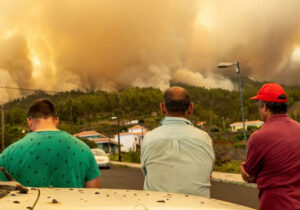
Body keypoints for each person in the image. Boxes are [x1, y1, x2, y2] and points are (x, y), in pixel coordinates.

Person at [0, 99, 100, 188]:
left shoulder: (8, 154)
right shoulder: (83, 149)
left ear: (29, 121)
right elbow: (94, 195)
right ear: (56, 120)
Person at [141, 86, 215, 197]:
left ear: (162, 108)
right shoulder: (204, 138)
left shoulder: (149, 138)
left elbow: (147, 172)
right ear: (191, 108)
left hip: (156, 205)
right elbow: (207, 175)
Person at [240, 83, 300, 209]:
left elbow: (249, 174)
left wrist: (242, 167)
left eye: (258, 105)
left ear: (265, 107)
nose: (258, 110)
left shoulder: (259, 137)